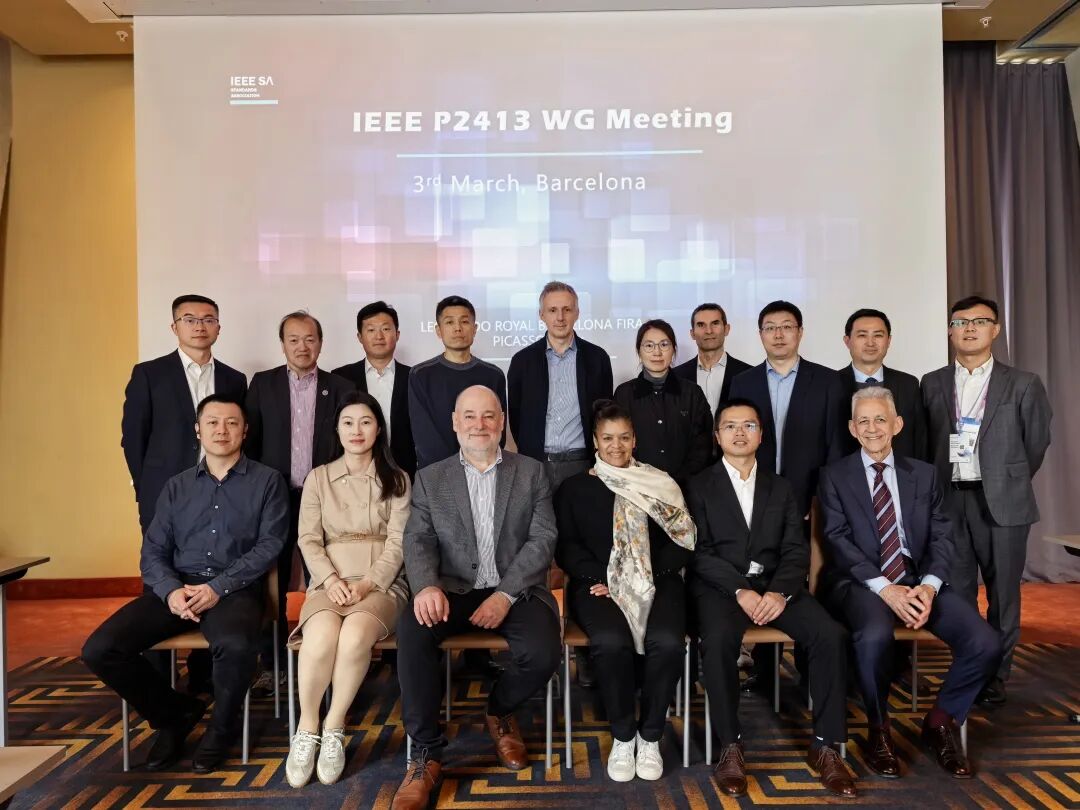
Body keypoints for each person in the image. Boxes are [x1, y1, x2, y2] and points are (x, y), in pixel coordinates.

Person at [82, 394, 288, 772]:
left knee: (235, 645)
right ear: (198, 430)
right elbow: (153, 550)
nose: (221, 430)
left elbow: (269, 546)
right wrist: (170, 591)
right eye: (212, 422)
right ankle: (174, 714)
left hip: (235, 589)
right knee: (100, 649)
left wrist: (217, 588)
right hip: (179, 587)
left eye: (231, 423)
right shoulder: (177, 486)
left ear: (244, 431)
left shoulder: (268, 481)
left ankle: (221, 731)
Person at [391, 386, 561, 810]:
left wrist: (505, 594)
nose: (479, 425)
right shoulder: (431, 477)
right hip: (452, 588)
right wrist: (426, 585)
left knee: (543, 652)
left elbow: (542, 539)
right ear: (455, 422)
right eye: (469, 416)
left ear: (501, 422)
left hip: (515, 589)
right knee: (413, 633)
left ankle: (499, 710)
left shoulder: (531, 472)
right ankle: (425, 753)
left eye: (488, 416)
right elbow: (418, 539)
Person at [818, 387, 1001, 779]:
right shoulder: (834, 476)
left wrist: (929, 588)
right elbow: (837, 540)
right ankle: (879, 728)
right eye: (863, 421)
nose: (872, 428)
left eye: (880, 419)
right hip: (860, 582)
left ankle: (940, 721)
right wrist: (885, 588)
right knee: (873, 636)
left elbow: (943, 537)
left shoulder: (924, 474)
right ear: (852, 428)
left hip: (918, 582)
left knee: (985, 643)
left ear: (897, 424)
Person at [687, 398, 854, 799]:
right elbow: (697, 552)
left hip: (778, 587)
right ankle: (730, 746)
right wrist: (740, 590)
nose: (739, 433)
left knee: (829, 635)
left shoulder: (781, 487)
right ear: (717, 436)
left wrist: (779, 592)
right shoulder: (698, 486)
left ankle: (826, 745)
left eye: (748, 425)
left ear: (761, 435)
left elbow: (796, 549)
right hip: (722, 589)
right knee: (718, 640)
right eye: (730, 426)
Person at [922, 295, 1051, 706]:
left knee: (1003, 596)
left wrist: (1004, 480)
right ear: (950, 331)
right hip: (950, 502)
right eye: (961, 322)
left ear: (995, 329)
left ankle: (996, 677)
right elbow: (928, 444)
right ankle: (969, 668)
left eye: (979, 321)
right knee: (958, 594)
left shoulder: (1024, 383)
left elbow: (1036, 443)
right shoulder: (932, 382)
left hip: (1003, 503)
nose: (970, 328)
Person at [555, 401, 694, 782]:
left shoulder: (660, 483)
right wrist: (608, 576)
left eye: (624, 437)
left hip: (657, 579)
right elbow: (567, 547)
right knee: (610, 641)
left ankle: (650, 736)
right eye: (607, 438)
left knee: (668, 641)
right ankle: (622, 735)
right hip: (597, 583)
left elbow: (682, 539)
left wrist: (641, 574)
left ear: (634, 440)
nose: (616, 446)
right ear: (595, 441)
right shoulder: (575, 488)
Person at [284, 392, 411, 788]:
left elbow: (399, 543)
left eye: (366, 422)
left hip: (382, 583)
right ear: (337, 430)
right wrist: (331, 580)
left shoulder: (398, 479)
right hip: (329, 580)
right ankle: (307, 728)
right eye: (348, 423)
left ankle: (334, 726)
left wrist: (368, 583)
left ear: (379, 429)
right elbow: (308, 539)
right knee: (321, 635)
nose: (357, 430)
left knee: (355, 634)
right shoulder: (318, 478)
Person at [245, 311, 354, 694]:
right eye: (293, 339)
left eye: (309, 339)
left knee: (325, 576)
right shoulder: (263, 384)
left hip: (323, 499)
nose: (302, 347)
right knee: (269, 578)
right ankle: (271, 662)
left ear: (320, 343)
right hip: (274, 496)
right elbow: (250, 442)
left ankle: (326, 658)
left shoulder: (340, 387)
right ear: (283, 345)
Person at [121, 294, 246, 533]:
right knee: (161, 553)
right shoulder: (149, 374)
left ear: (218, 328)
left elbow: (240, 436)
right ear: (174, 327)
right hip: (163, 490)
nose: (199, 327)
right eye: (189, 320)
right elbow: (133, 437)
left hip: (223, 490)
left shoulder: (234, 380)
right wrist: (144, 485)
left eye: (208, 320)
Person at [729, 301, 846, 523]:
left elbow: (836, 446)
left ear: (800, 332)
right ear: (761, 334)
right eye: (770, 328)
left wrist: (823, 498)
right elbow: (734, 442)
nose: (778, 335)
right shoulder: (743, 383)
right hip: (752, 497)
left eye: (786, 327)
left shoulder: (827, 381)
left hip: (809, 500)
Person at [508, 281, 614, 491]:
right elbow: (517, 418)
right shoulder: (522, 361)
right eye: (552, 310)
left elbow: (604, 415)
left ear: (577, 313)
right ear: (541, 315)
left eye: (567, 309)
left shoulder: (598, 358)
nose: (560, 317)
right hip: (535, 465)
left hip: (583, 465)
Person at [409, 296, 506, 470]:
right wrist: (454, 471)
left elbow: (498, 430)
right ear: (438, 330)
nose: (458, 328)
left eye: (464, 322)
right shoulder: (420, 375)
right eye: (449, 322)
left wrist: (477, 465)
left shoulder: (493, 375)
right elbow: (423, 435)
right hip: (437, 472)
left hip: (483, 470)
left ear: (475, 329)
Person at [613, 319, 713, 488]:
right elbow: (617, 443)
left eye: (664, 345)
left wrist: (676, 482)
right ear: (639, 351)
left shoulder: (692, 393)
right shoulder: (624, 394)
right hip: (637, 487)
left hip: (685, 488)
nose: (657, 352)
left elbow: (703, 446)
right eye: (649, 346)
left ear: (673, 349)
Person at [331, 300, 417, 477]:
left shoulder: (414, 377)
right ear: (359, 337)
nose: (379, 336)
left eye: (385, 329)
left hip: (403, 472)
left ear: (397, 334)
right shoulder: (341, 377)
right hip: (353, 474)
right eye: (371, 330)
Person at [836, 308, 926, 460]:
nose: (870, 342)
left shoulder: (908, 384)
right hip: (844, 472)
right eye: (862, 335)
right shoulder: (831, 383)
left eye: (878, 335)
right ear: (847, 341)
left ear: (888, 341)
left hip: (900, 472)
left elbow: (919, 439)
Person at [673, 303, 751, 418]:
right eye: (701, 325)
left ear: (726, 329)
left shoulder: (748, 374)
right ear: (692, 333)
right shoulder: (675, 376)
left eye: (715, 323)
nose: (709, 331)